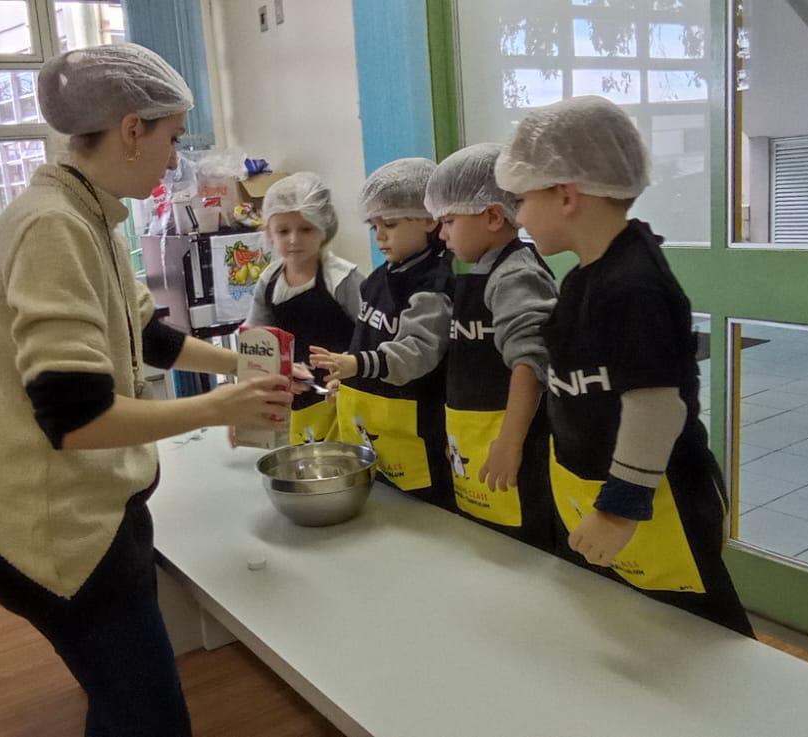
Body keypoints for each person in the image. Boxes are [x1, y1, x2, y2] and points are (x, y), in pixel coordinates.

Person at [0, 44, 299, 737]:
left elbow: (148, 336)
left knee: (125, 703)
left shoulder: (92, 215)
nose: (175, 160)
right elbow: (76, 418)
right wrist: (217, 407)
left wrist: (243, 365)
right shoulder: (52, 229)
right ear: (130, 129)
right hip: (54, 533)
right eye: (171, 138)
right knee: (149, 719)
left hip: (92, 510)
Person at [495, 96, 753, 636]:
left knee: (700, 639)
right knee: (634, 629)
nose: (518, 217)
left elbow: (657, 406)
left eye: (521, 200)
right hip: (603, 491)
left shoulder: (633, 284)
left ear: (566, 194)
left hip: (658, 501)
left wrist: (618, 510)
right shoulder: (586, 276)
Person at [425, 142, 558, 548]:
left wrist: (509, 443)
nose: (442, 234)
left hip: (514, 442)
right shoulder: (480, 270)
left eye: (448, 221)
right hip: (478, 439)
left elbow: (529, 364)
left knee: (522, 548)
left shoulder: (514, 274)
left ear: (493, 216)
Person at [311, 158, 455, 509]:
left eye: (390, 224)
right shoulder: (378, 278)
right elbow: (365, 340)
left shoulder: (433, 286)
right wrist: (344, 382)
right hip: (370, 431)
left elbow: (415, 354)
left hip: (415, 440)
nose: (380, 236)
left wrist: (357, 365)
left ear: (429, 220)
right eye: (374, 226)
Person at [246, 172, 361, 443]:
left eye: (306, 229)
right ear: (269, 234)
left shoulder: (343, 278)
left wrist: (351, 374)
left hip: (342, 397)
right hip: (294, 402)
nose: (294, 239)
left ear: (325, 229)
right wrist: (246, 407)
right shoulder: (269, 280)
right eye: (283, 231)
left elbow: (371, 338)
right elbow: (256, 345)